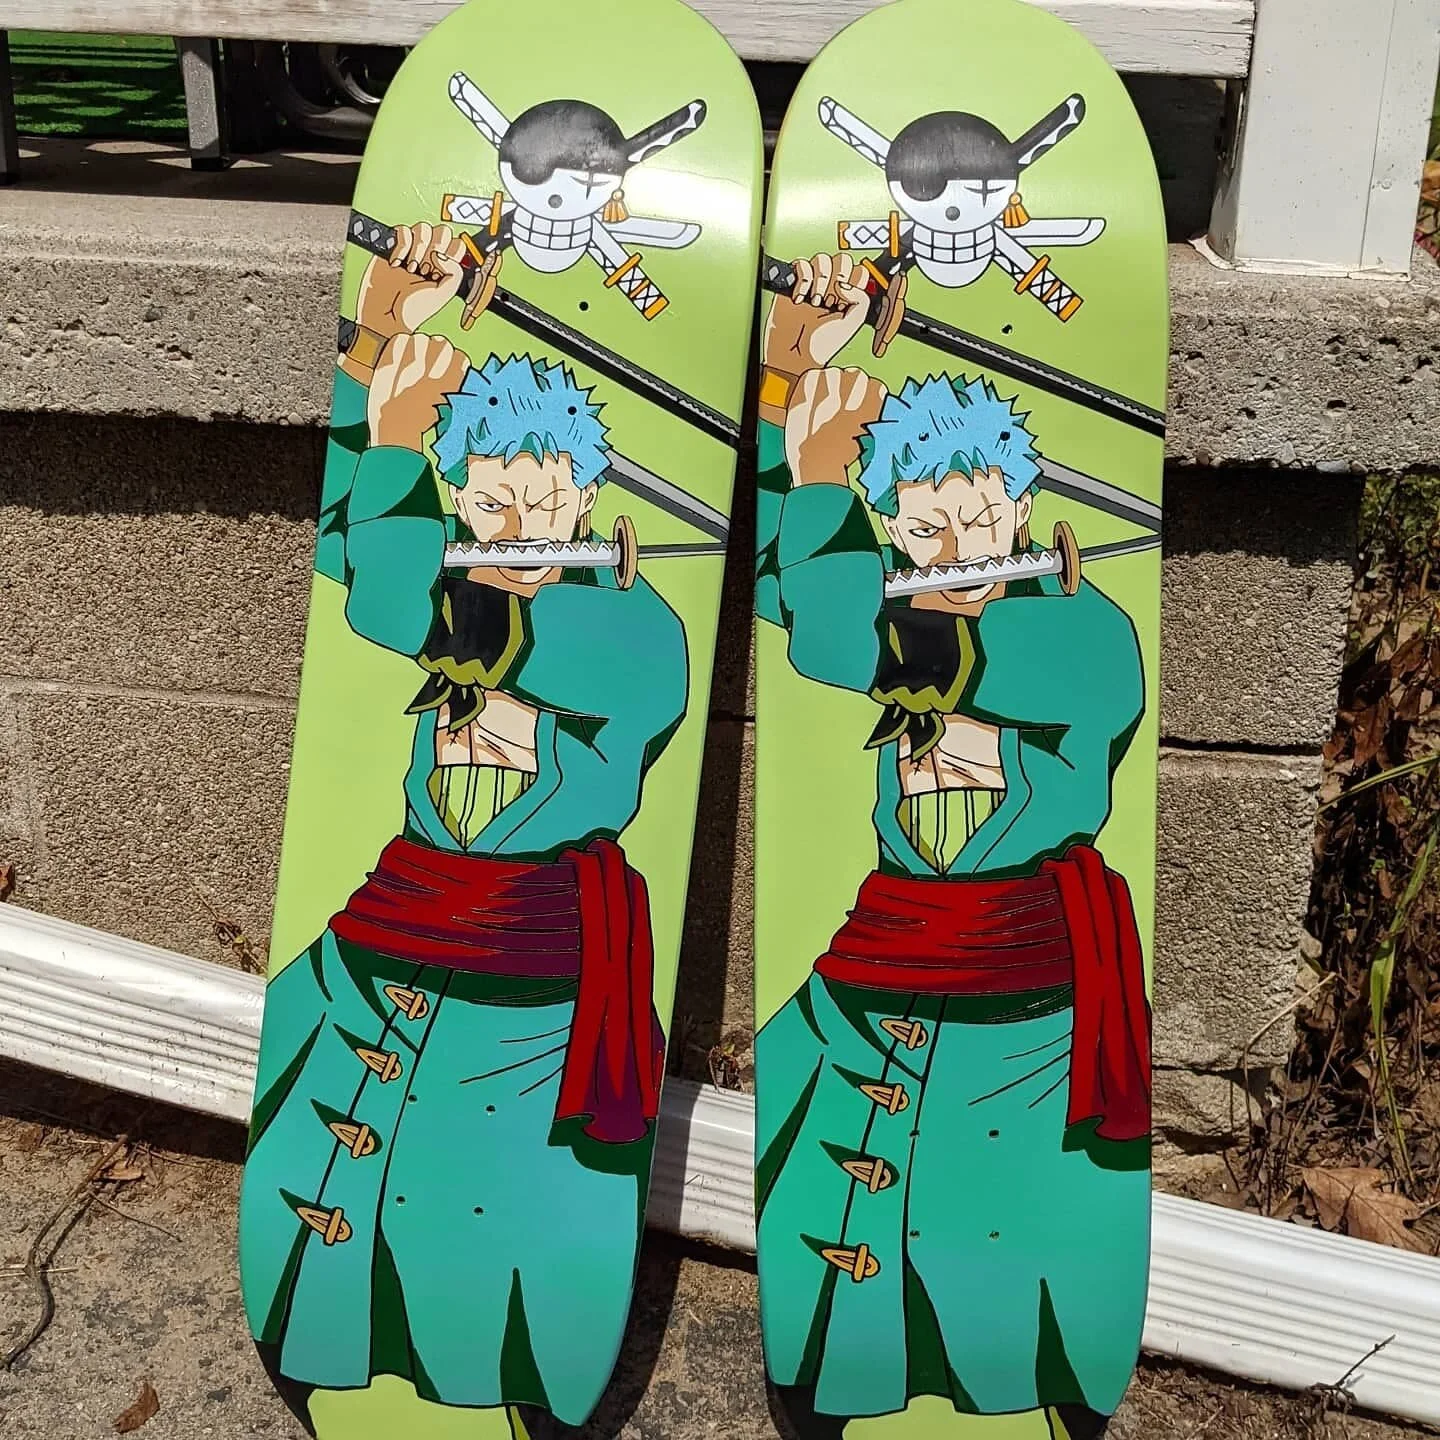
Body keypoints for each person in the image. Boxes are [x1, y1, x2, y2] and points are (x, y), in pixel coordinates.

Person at [240, 225, 687, 1432]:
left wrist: (398, 437)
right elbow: (352, 546)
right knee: (339, 1142)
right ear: (463, 499)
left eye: (546, 500)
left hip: (533, 969)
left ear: (588, 496)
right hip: (399, 920)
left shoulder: (629, 626)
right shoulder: (453, 569)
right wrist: (373, 345)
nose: (521, 523)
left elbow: (399, 601)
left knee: (482, 1193)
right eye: (491, 500)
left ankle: (500, 1377)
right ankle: (332, 1337)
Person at [755, 252, 1151, 1440]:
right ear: (893, 531)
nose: (960, 546)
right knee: (822, 1171)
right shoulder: (889, 595)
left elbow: (840, 635)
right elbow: (788, 583)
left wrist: (825, 479)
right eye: (925, 529)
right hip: (887, 954)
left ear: (1023, 511)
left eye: (981, 518)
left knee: (1003, 1222)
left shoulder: (1081, 633)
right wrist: (790, 381)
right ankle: (841, 1378)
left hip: (1027, 987)